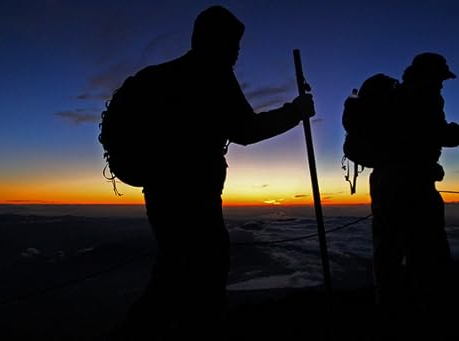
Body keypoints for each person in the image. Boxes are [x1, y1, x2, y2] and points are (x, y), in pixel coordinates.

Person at [115, 5, 315, 340]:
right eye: (232, 45)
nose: (236, 53)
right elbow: (246, 129)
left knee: (172, 273)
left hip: (160, 194)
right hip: (196, 198)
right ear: (214, 41)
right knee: (200, 281)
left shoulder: (160, 76)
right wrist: (294, 112)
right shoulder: (212, 73)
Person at [369, 52, 459, 322]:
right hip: (413, 186)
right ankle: (427, 315)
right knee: (427, 252)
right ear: (431, 75)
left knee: (387, 252)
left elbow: (422, 132)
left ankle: (387, 313)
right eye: (441, 78)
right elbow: (434, 131)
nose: (442, 84)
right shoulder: (425, 93)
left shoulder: (396, 97)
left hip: (383, 184)